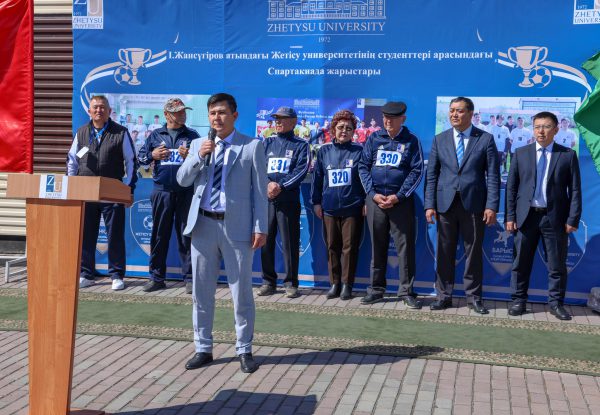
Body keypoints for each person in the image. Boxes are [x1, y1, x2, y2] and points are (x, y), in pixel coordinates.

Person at [177, 93, 268, 373]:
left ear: (234, 115)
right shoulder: (198, 144)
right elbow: (182, 180)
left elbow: (260, 192)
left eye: (222, 112)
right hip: (203, 225)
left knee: (241, 293)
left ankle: (244, 349)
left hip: (237, 227)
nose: (216, 118)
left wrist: (260, 226)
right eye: (212, 113)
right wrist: (198, 157)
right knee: (201, 292)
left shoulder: (252, 146)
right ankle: (203, 348)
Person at [424, 97, 500, 314]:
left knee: (473, 253)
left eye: (459, 111)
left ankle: (474, 298)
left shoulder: (485, 139)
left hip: (474, 205)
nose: (454, 114)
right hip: (445, 205)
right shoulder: (440, 139)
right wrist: (429, 205)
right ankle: (443, 296)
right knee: (444, 252)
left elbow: (493, 176)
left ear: (470, 114)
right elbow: (432, 175)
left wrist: (491, 206)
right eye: (451, 111)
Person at [505, 111, 582, 320]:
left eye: (546, 127)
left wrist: (573, 218)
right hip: (526, 218)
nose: (541, 131)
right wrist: (510, 217)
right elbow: (511, 188)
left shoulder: (567, 155)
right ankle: (518, 301)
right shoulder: (521, 153)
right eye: (537, 126)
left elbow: (575, 190)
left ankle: (556, 304)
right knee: (520, 263)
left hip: (554, 218)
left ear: (555, 130)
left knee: (557, 265)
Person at [67, 95, 137, 291]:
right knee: (86, 235)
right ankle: (86, 274)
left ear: (109, 111)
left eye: (102, 107)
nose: (99, 110)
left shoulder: (120, 132)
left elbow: (131, 161)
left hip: (112, 193)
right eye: (95, 107)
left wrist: (128, 189)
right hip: (85, 192)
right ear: (89, 111)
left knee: (115, 235)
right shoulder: (81, 132)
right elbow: (72, 161)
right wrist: (72, 187)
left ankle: (116, 275)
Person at [358, 102, 424, 307]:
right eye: (385, 117)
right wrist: (372, 194)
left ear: (403, 119)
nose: (388, 121)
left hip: (400, 203)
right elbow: (363, 166)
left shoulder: (411, 140)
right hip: (376, 201)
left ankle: (406, 291)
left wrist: (399, 196)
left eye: (393, 118)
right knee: (377, 246)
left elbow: (417, 171)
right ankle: (376, 289)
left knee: (405, 248)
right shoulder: (374, 138)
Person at [138, 98, 199, 294]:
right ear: (167, 114)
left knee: (186, 236)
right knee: (159, 235)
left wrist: (190, 157)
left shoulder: (192, 135)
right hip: (161, 191)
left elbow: (204, 162)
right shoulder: (155, 135)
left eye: (184, 111)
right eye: (178, 112)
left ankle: (190, 278)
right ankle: (156, 278)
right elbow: (141, 158)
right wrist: (152, 155)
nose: (183, 114)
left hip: (185, 192)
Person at [311, 110, 365, 300]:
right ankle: (335, 283)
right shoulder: (324, 151)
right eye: (340, 127)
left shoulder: (360, 151)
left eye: (348, 128)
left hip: (352, 208)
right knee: (332, 246)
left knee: (349, 248)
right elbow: (317, 179)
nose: (344, 131)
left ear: (353, 131)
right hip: (329, 208)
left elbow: (366, 179)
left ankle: (347, 285)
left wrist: (365, 202)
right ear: (333, 129)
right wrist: (316, 202)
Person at [258, 106, 310, 298]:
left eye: (282, 119)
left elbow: (301, 170)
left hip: (288, 201)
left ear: (293, 122)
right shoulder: (267, 142)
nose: (278, 122)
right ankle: (268, 281)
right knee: (266, 241)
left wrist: (280, 186)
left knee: (289, 243)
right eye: (276, 119)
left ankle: (291, 283)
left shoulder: (301, 145)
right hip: (267, 200)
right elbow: (258, 167)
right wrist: (267, 184)